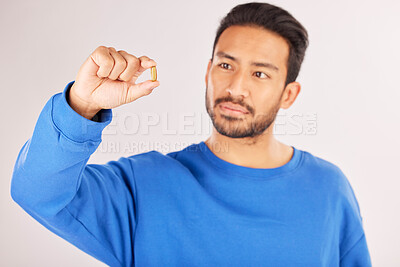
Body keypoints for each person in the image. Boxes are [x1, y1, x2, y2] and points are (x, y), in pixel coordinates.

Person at [10, 2, 372, 266]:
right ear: (208, 72)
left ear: (288, 94)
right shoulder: (143, 186)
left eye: (260, 74)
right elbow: (36, 191)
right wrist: (81, 106)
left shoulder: (328, 190)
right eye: (226, 65)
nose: (236, 87)